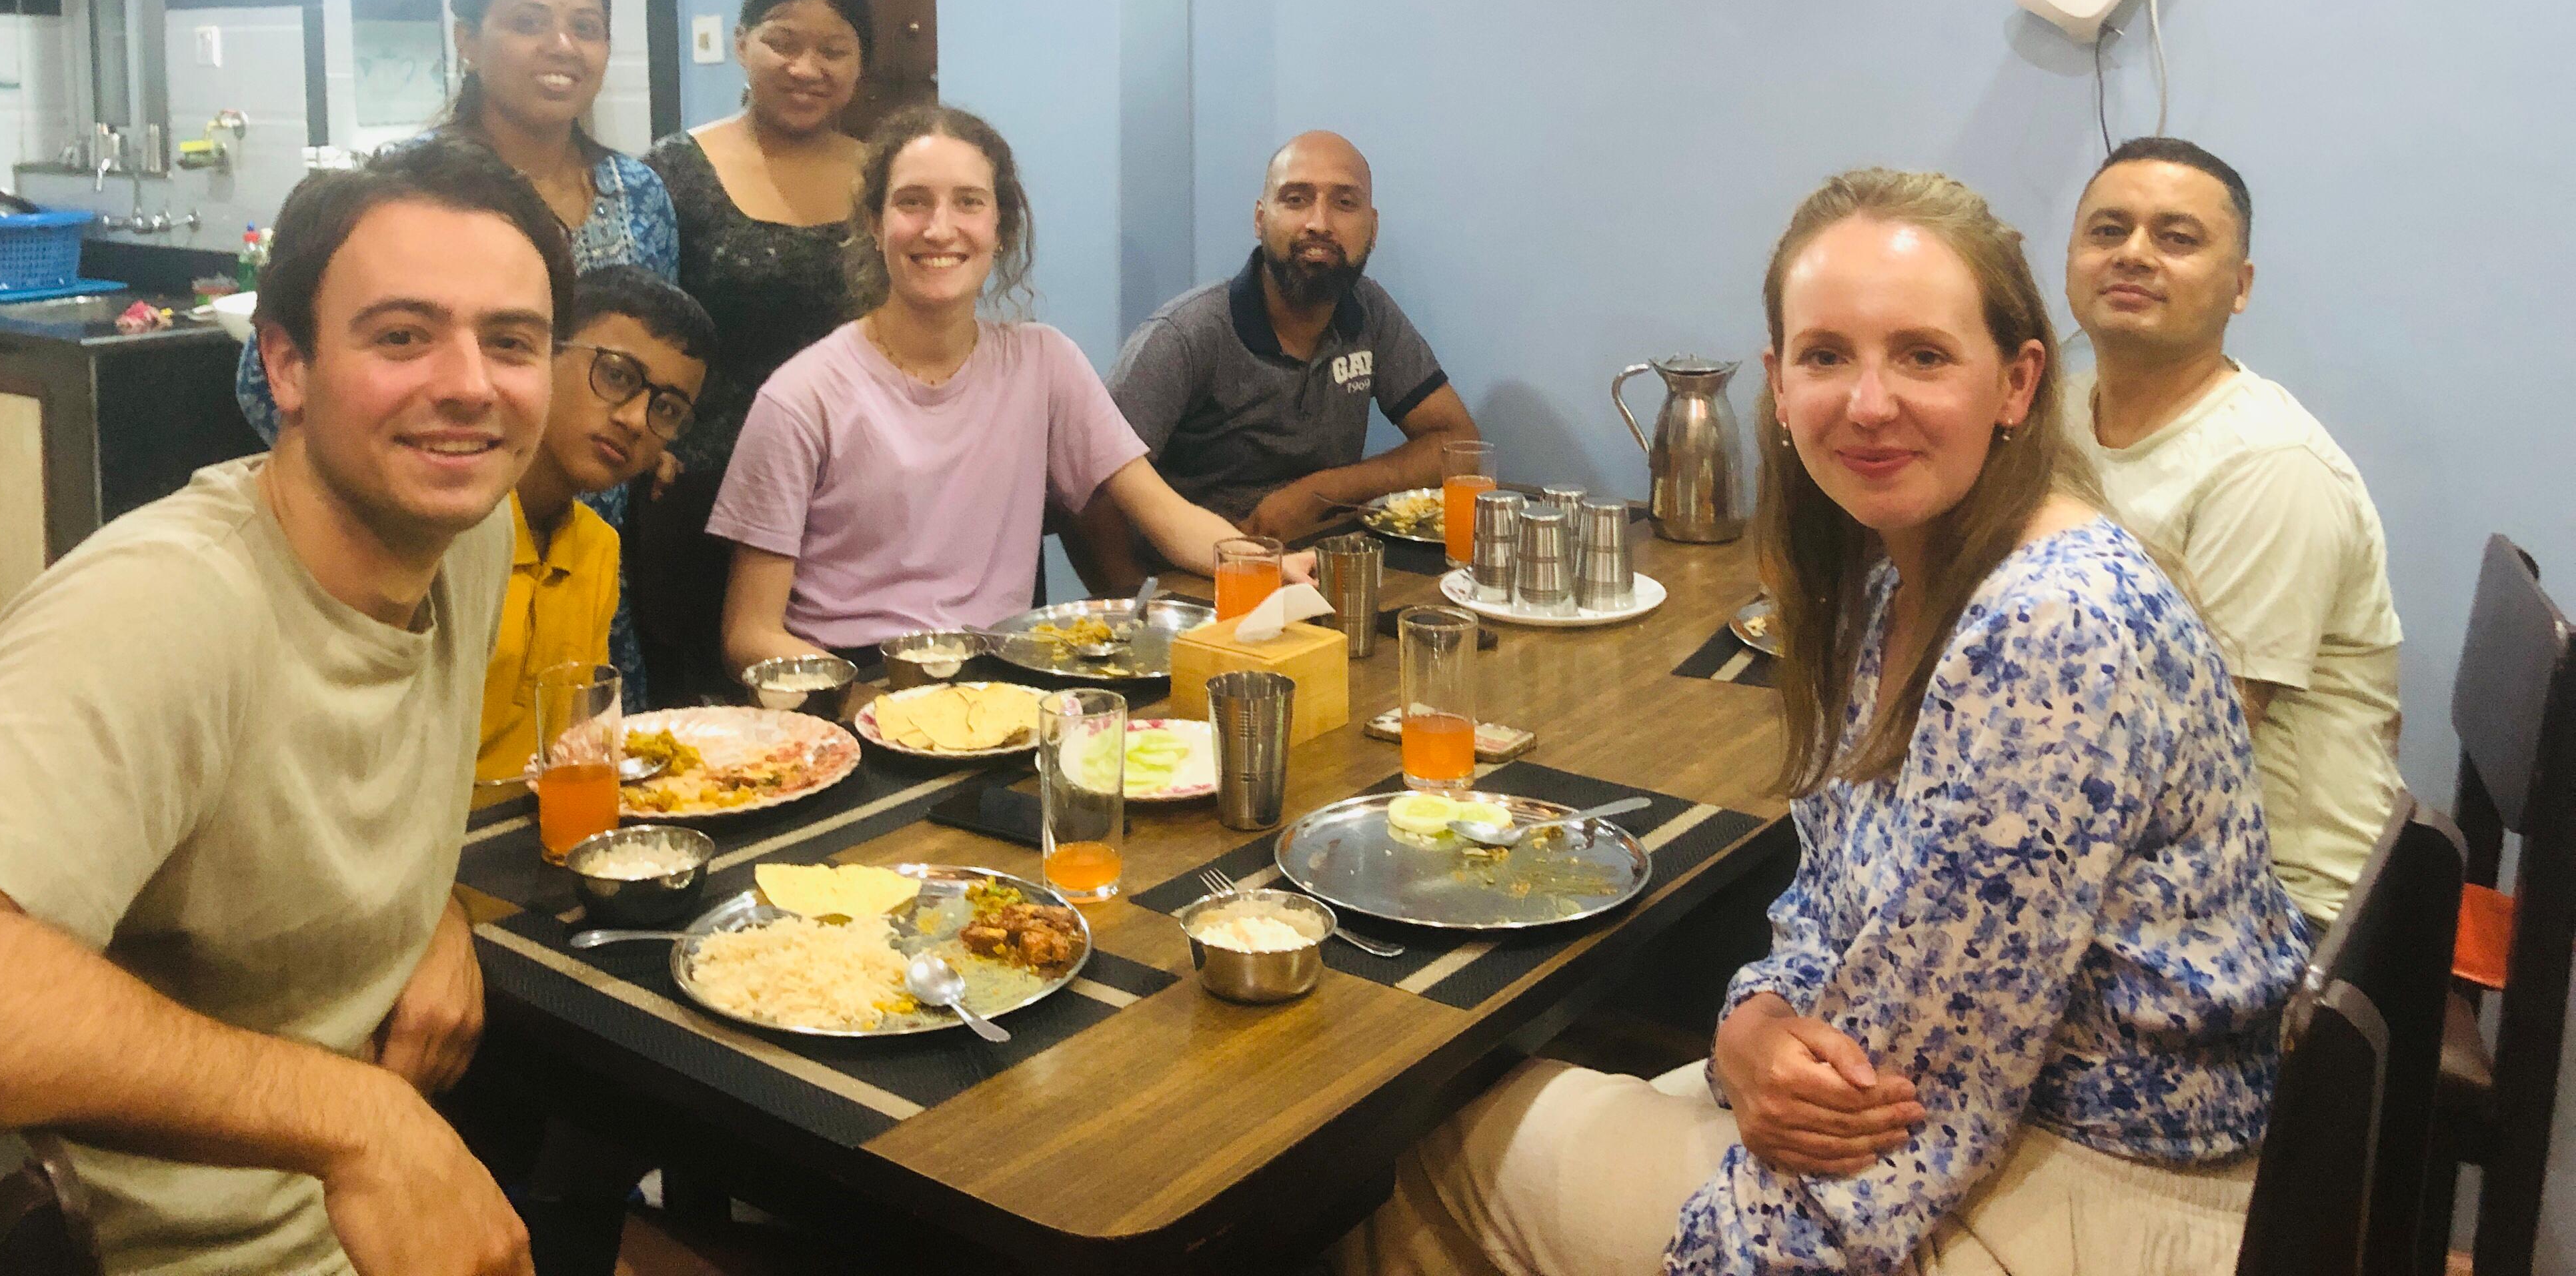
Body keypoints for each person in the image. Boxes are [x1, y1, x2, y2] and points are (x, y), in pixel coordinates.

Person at [1336, 168, 2307, 1276]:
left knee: (1421, 1149)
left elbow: (1905, 1115)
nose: (1869, 402)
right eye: (1827, 355)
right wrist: (1752, 1020)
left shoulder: (2047, 627)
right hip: (1977, 1111)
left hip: (2104, 1182)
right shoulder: (1899, 576)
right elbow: (1837, 901)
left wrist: (1725, 1229)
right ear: (1779, 383)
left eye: (1923, 355)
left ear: (2017, 380)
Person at [0, 136, 570, 1276]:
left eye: (511, 341)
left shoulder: (468, 534)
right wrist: (350, 1117)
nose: (468, 384)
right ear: (287, 365)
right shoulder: (163, 609)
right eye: (403, 335)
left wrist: (434, 908)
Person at [236, 0, 678, 702]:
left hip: (585, 555)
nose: (562, 47)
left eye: (586, 27)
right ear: (468, 38)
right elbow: (261, 384)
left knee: (584, 747)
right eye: (530, 22)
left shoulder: (639, 194)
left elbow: (656, 358)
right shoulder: (396, 193)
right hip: (420, 559)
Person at [712, 104, 1311, 670]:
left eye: (968, 202)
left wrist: (1269, 567)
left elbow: (1167, 516)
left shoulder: (1044, 362)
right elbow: (749, 633)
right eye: (913, 202)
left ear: (999, 227)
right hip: (855, 679)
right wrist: (859, 702)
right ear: (874, 224)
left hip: (1005, 681)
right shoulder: (800, 398)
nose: (939, 229)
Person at [2062, 136, 2404, 926]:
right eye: (2108, 231)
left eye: (2177, 238)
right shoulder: (2059, 413)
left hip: (2280, 900)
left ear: (2239, 287)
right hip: (2131, 849)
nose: (2133, 254)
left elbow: (2193, 751)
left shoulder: (2270, 467)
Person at [1072, 131, 1477, 587]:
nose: (1319, 223)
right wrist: (1137, 607)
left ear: (1373, 228)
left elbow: (1458, 447)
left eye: (1344, 203)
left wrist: (1321, 492)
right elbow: (1087, 489)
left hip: (1319, 575)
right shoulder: (1187, 335)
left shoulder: (1368, 311)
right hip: (1200, 587)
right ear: (1261, 219)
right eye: (1296, 199)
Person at [633, 0, 868, 702]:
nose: (806, 68)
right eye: (782, 42)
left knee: (848, 702)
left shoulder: (886, 179)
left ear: (861, 62)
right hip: (701, 498)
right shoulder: (672, 171)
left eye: (834, 50)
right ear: (741, 43)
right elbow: (636, 324)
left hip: (848, 498)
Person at [475, 266, 714, 782]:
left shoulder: (596, 546)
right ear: (543, 352)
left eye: (667, 408)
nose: (634, 420)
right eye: (617, 376)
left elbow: (577, 752)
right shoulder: (447, 529)